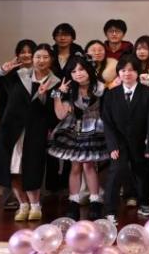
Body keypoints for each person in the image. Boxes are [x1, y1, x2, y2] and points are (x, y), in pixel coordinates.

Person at [0, 43, 58, 223]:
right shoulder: (18, 75)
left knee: (32, 167)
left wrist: (43, 96)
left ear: (51, 60)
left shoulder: (56, 82)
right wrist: (2, 71)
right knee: (13, 168)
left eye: (45, 57)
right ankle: (23, 204)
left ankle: (35, 205)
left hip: (36, 130)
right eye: (37, 57)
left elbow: (54, 114)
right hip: (11, 130)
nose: (40, 60)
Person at [49, 57, 109, 220]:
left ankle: (95, 201)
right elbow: (60, 115)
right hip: (74, 130)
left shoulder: (100, 88)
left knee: (89, 164)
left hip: (95, 129)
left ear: (88, 70)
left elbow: (108, 111)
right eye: (74, 71)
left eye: (81, 69)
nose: (78, 74)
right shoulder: (69, 90)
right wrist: (58, 94)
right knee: (75, 166)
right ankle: (73, 202)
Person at [101, 55, 149, 221]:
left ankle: (144, 203)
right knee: (116, 171)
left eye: (131, 70)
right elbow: (107, 122)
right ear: (118, 73)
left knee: (142, 172)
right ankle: (110, 210)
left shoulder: (148, 93)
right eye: (123, 70)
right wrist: (112, 145)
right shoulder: (111, 94)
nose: (127, 73)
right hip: (118, 141)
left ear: (137, 72)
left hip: (140, 140)